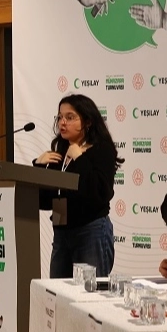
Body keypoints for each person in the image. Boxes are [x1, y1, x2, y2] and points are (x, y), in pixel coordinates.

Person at [33, 94, 122, 278]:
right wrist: (39, 167)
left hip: (90, 230)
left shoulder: (101, 150)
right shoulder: (60, 152)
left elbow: (100, 192)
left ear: (87, 121)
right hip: (61, 232)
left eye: (70, 117)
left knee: (90, 290)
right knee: (57, 291)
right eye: (60, 117)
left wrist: (80, 158)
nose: (62, 122)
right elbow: (44, 201)